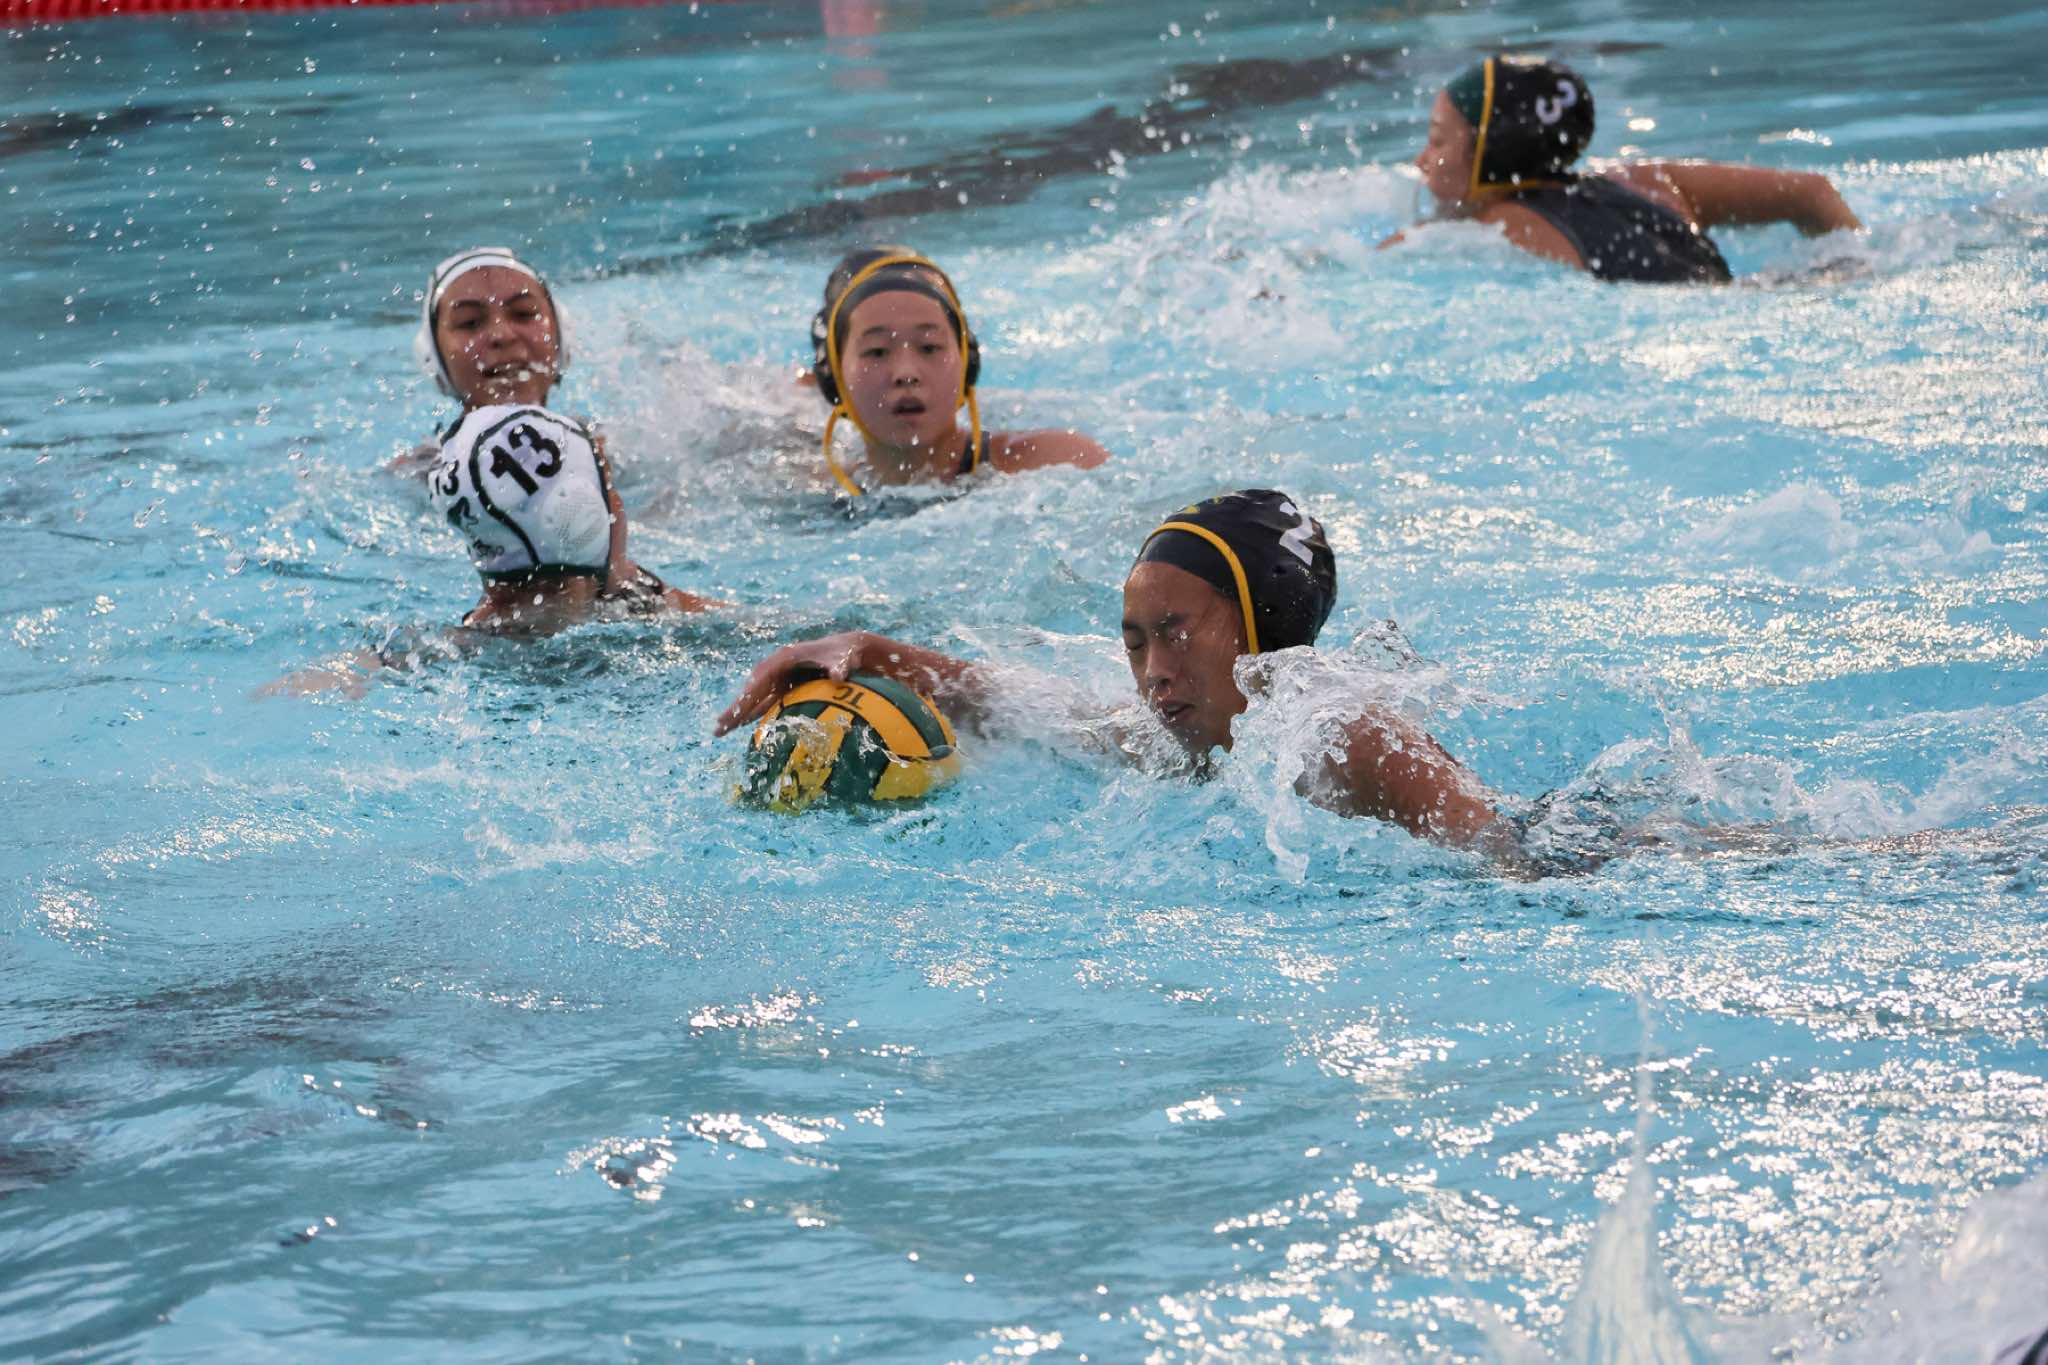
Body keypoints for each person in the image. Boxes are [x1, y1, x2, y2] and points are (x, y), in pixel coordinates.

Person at [715, 489, 1504, 850]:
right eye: (1134, 642)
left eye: (1176, 634)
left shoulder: (1345, 735)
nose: (1154, 673)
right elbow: (1005, 698)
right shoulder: (1164, 743)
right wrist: (865, 648)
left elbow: (1508, 855)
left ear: (1261, 632)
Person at [1385, 56, 1862, 283]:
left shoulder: (1490, 229)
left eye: (1437, 140)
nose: (1422, 160)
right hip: (1771, 294)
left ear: (1493, 155)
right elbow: (1813, 192)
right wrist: (1860, 266)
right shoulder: (1647, 182)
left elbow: (1362, 270)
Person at [807, 246, 1109, 496]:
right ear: (832, 377)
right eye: (876, 352)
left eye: (930, 347)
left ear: (967, 363)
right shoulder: (811, 493)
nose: (906, 373)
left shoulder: (1057, 463)